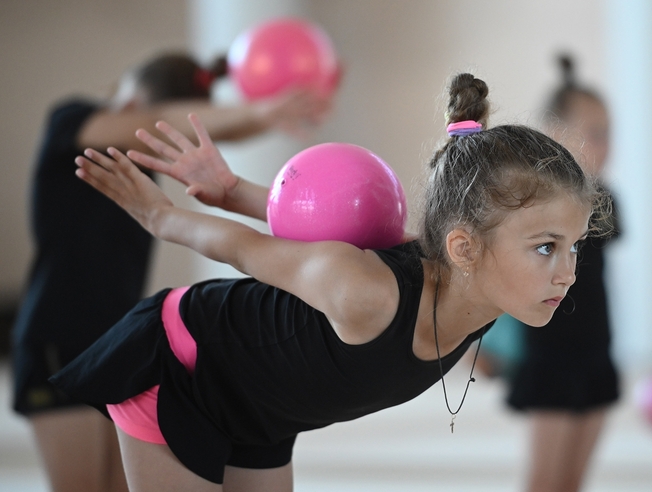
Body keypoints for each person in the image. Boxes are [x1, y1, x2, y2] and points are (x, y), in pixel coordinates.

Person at [51, 73, 608, 491]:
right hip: (182, 362)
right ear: (465, 247)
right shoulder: (367, 293)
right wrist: (160, 216)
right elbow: (248, 250)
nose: (568, 271)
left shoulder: (464, 270)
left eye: (574, 245)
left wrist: (236, 189)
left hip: (261, 410)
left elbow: (332, 222)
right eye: (545, 247)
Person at [11, 51, 334, 492]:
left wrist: (265, 116)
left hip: (112, 337)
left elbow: (194, 129)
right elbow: (157, 121)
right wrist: (259, 110)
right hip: (56, 333)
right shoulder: (75, 119)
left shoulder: (142, 149)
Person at [498, 55, 621, 492]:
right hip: (551, 352)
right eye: (596, 134)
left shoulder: (606, 198)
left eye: (610, 134)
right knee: (545, 481)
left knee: (573, 482)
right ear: (555, 137)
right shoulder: (533, 203)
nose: (606, 146)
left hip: (596, 348)